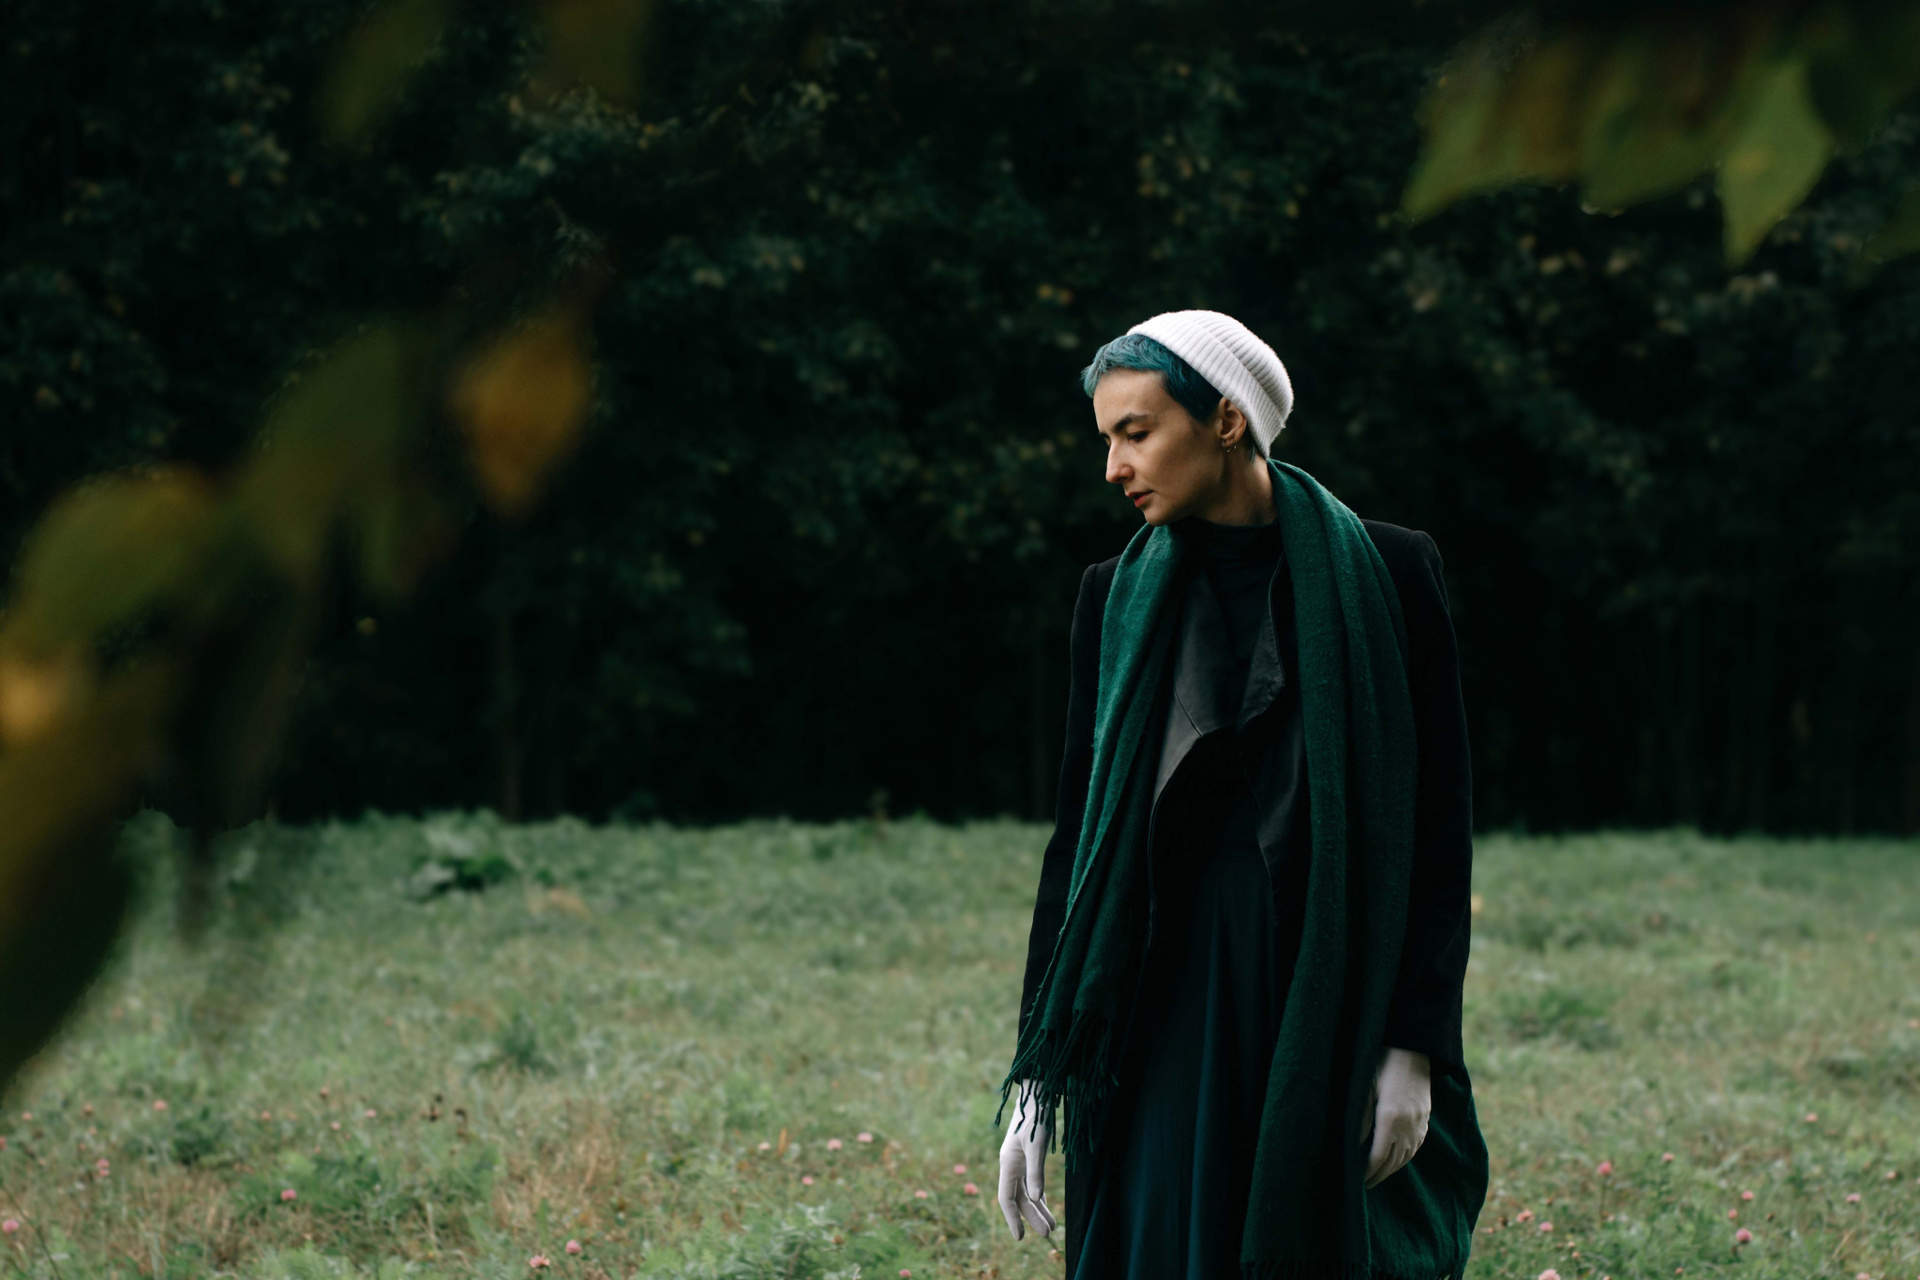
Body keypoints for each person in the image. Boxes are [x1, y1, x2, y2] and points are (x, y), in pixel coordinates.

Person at [995, 311, 1487, 1279]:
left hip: (1319, 980)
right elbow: (1077, 845)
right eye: (1107, 439)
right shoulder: (1110, 595)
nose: (1114, 467)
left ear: (1225, 420)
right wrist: (1038, 1078)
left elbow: (1438, 828)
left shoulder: (1391, 571)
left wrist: (1414, 1046)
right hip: (1158, 993)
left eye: (1136, 432)